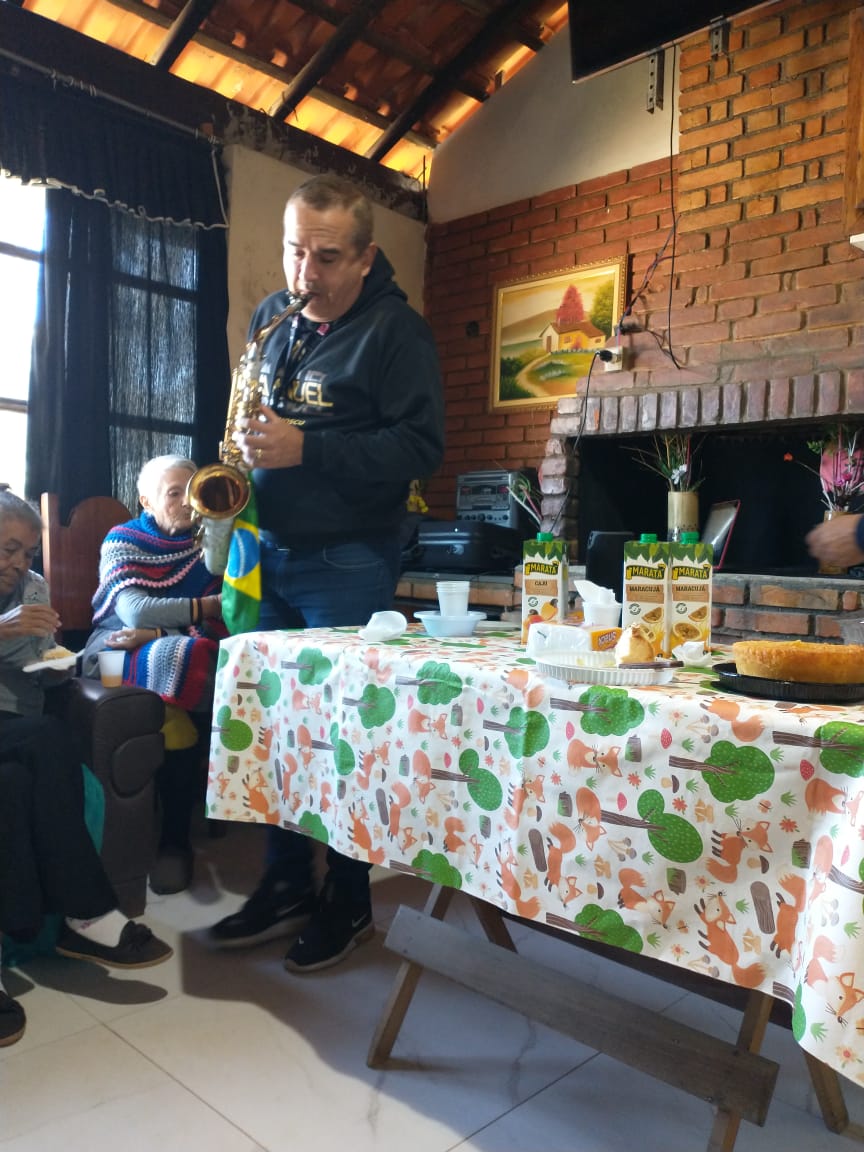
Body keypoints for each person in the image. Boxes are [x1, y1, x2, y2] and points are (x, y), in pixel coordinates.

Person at [207, 173, 444, 972]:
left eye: (327, 257)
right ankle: (285, 884)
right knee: (277, 731)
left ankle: (348, 900)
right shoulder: (272, 320)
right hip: (267, 552)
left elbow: (420, 450)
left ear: (367, 256)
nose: (303, 274)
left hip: (347, 559)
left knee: (345, 739)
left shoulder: (397, 333)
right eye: (293, 251)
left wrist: (307, 448)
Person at [0, 490, 172, 1048]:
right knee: (46, 737)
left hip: (13, 728)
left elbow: (38, 658)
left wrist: (56, 665)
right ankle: (88, 915)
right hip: (23, 732)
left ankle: (40, 924)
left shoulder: (33, 587)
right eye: (7, 549)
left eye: (28, 552)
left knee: (13, 783)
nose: (18, 563)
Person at [82, 456, 226, 895]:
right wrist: (205, 607)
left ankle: (176, 837)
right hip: (114, 646)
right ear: (146, 501)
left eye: (193, 491)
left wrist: (162, 630)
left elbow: (230, 613)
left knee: (195, 654)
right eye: (174, 493)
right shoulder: (122, 538)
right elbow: (134, 612)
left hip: (181, 641)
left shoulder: (209, 542)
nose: (188, 503)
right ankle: (172, 841)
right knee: (179, 658)